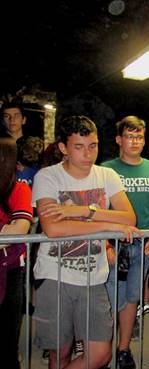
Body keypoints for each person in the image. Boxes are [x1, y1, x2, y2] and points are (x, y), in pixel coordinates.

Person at [32, 115, 139, 369]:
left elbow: (129, 216)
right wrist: (105, 224)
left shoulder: (107, 175)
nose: (88, 153)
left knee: (101, 354)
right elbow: (53, 228)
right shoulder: (48, 177)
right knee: (61, 352)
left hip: (95, 276)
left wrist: (83, 211)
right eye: (79, 147)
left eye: (93, 145)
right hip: (55, 275)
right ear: (63, 148)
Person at [102, 116, 149, 369]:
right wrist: (105, 244)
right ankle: (101, 351)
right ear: (119, 139)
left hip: (142, 242)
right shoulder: (106, 169)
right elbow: (101, 208)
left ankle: (123, 349)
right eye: (130, 136)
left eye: (139, 136)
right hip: (115, 243)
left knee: (132, 298)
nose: (135, 141)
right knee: (107, 298)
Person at [0, 136, 33, 369]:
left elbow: (19, 229)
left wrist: (7, 233)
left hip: (10, 270)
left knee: (7, 337)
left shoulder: (19, 188)